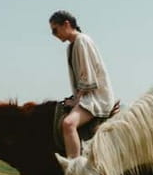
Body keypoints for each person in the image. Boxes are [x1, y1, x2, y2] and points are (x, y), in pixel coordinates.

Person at [49, 10, 117, 159]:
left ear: (66, 24)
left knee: (68, 124)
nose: (54, 35)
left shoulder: (82, 40)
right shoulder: (71, 46)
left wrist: (76, 101)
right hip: (87, 95)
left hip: (97, 97)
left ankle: (75, 166)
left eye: (55, 30)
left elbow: (87, 77)